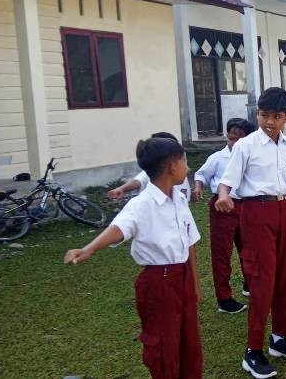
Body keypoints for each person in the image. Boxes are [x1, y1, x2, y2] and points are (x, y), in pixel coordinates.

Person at [64, 137, 203, 378]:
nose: (187, 167)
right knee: (163, 346)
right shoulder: (142, 204)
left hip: (183, 277)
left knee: (189, 343)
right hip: (159, 283)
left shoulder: (178, 198)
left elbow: (189, 242)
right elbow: (119, 228)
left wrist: (194, 282)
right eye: (184, 161)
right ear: (171, 166)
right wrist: (88, 249)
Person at [216, 87, 286, 378]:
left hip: (284, 213)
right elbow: (227, 181)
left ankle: (280, 338)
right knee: (261, 282)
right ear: (257, 114)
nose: (269, 121)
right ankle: (252, 350)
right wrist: (222, 196)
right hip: (256, 214)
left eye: (276, 116)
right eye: (264, 115)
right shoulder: (246, 146)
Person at [193, 118, 254, 314]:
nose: (233, 142)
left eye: (238, 139)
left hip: (245, 207)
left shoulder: (250, 156)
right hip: (223, 209)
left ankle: (249, 284)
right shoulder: (218, 158)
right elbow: (201, 174)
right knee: (222, 253)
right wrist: (198, 188)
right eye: (230, 138)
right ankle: (224, 298)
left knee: (249, 249)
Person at [107, 131, 190, 201]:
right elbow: (138, 181)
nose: (188, 168)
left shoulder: (180, 199)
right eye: (182, 160)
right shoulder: (140, 209)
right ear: (171, 164)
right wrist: (122, 189)